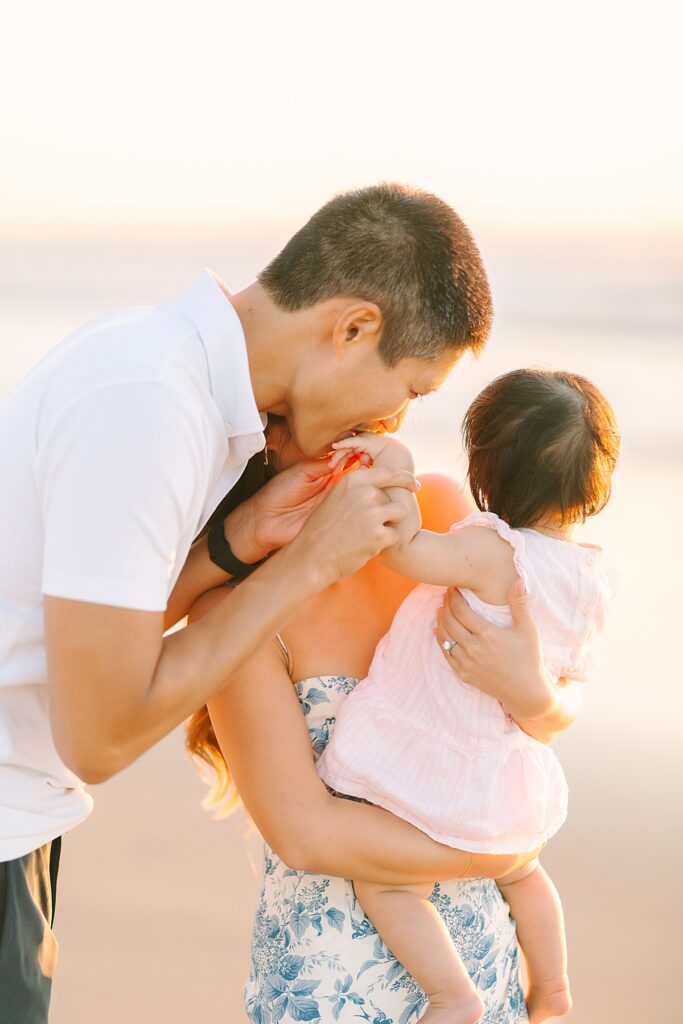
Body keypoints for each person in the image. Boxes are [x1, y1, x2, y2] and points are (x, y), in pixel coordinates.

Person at [0, 184, 564, 1020]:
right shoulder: (149, 404)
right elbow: (99, 734)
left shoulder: (161, 376)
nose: (397, 418)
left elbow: (72, 635)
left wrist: (233, 547)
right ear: (352, 328)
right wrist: (303, 567)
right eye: (409, 386)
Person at [186, 448, 537, 1022]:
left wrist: (540, 696)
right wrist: (500, 850)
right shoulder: (228, 610)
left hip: (475, 950)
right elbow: (303, 837)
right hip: (329, 977)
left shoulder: (438, 510)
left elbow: (529, 719)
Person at [317, 369, 620, 1024]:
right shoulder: (589, 577)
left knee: (386, 881)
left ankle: (452, 995)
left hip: (444, 756)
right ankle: (554, 985)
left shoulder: (490, 551)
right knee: (525, 873)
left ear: (483, 475)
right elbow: (564, 685)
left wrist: (390, 471)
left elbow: (403, 551)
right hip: (505, 767)